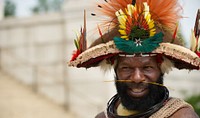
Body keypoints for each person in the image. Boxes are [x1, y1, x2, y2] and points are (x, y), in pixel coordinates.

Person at [68, 0, 200, 117]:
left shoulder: (181, 115)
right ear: (115, 69)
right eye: (126, 68)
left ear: (161, 69)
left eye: (147, 68)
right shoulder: (103, 117)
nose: (137, 78)